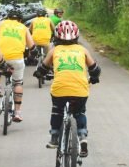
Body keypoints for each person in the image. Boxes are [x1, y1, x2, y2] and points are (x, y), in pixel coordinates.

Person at [34, 20, 100, 157]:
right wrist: (94, 77)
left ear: (57, 37)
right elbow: (95, 69)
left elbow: (43, 68)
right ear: (76, 37)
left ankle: (54, 137)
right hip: (80, 90)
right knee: (80, 112)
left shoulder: (54, 51)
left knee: (57, 110)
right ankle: (83, 139)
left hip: (60, 90)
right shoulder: (82, 50)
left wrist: (39, 74)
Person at [0, 8, 35, 122]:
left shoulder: (2, 23)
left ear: (8, 18)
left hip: (0, 57)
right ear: (20, 19)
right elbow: (32, 46)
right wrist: (32, 54)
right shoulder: (24, 28)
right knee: (18, 83)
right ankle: (17, 112)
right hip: (17, 59)